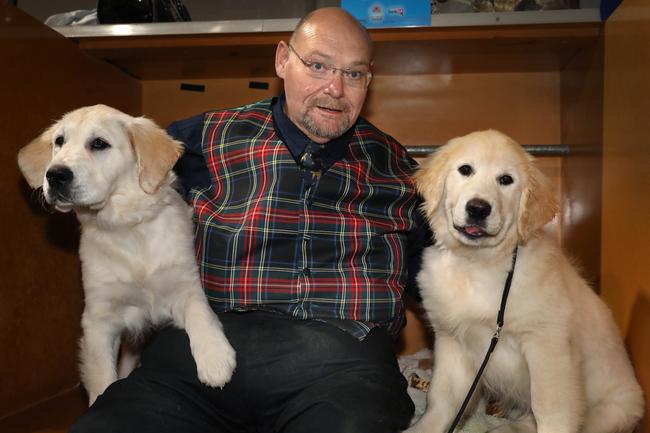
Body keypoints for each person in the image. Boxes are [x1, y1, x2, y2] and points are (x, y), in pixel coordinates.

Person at [70, 7, 430, 433]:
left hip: (343, 366)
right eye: (318, 65)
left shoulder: (397, 167)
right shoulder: (202, 138)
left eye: (353, 74)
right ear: (282, 60)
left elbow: (440, 275)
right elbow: (115, 166)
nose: (335, 88)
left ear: (369, 80)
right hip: (199, 352)